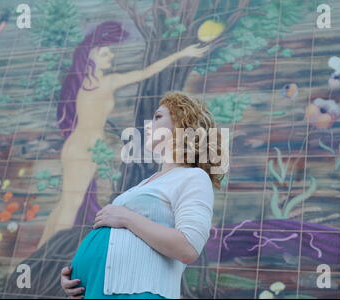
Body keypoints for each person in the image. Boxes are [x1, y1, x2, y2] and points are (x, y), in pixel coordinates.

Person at [37, 20, 210, 248]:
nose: (110, 57)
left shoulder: (81, 83)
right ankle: (46, 254)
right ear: (92, 55)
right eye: (105, 52)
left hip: (81, 147)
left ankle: (42, 251)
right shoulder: (106, 82)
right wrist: (182, 53)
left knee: (65, 204)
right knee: (71, 205)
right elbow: (146, 72)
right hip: (83, 149)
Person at [60, 91, 227, 299]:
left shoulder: (193, 177)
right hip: (96, 290)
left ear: (184, 124)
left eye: (158, 117)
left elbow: (188, 247)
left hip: (138, 294)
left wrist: (125, 217)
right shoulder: (146, 183)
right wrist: (76, 274)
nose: (148, 125)